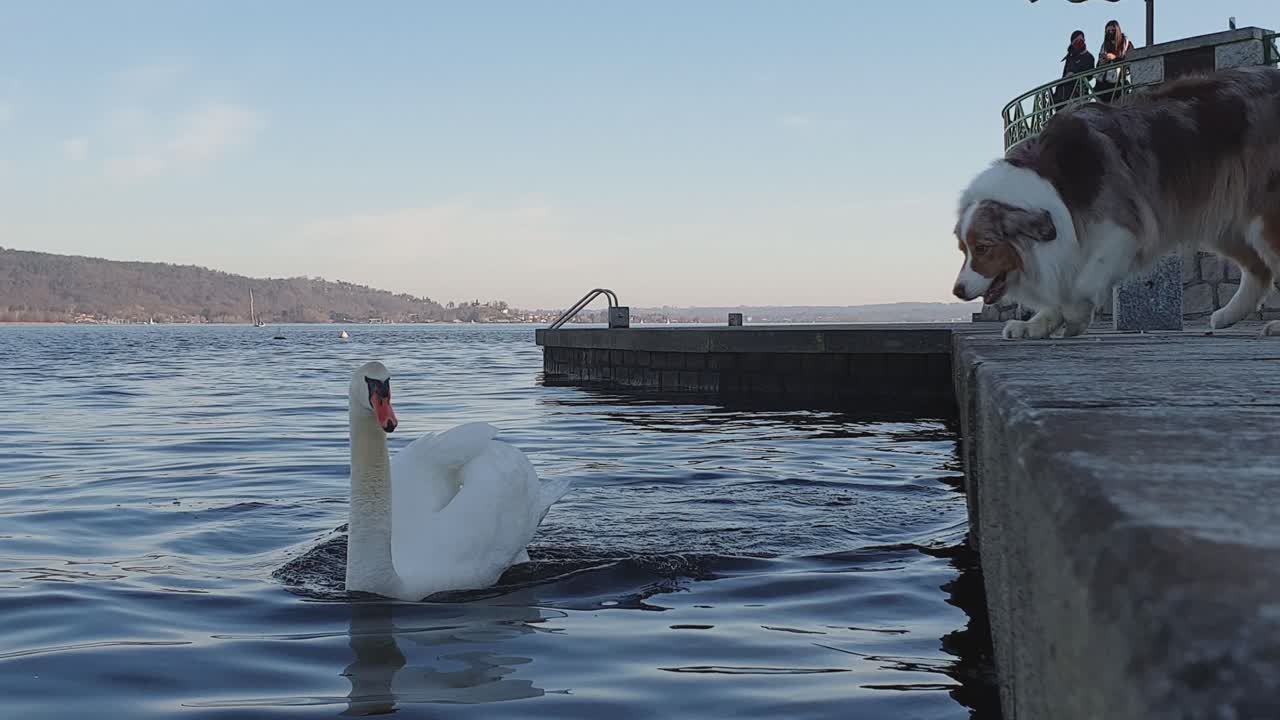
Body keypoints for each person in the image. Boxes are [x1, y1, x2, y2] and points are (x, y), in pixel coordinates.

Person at [1093, 20, 1134, 103]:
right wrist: (1101, 62)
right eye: (1108, 31)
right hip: (1102, 84)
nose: (1110, 33)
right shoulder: (1104, 46)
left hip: (1118, 84)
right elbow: (1098, 66)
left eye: (1113, 31)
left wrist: (1114, 58)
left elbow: (1130, 63)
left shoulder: (1127, 45)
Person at [1053, 30, 1095, 107]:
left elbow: (1090, 75)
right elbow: (1064, 75)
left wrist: (1075, 74)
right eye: (1076, 41)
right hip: (1064, 96)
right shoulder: (1070, 57)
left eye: (1081, 40)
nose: (1079, 43)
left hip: (1079, 94)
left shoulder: (1089, 57)